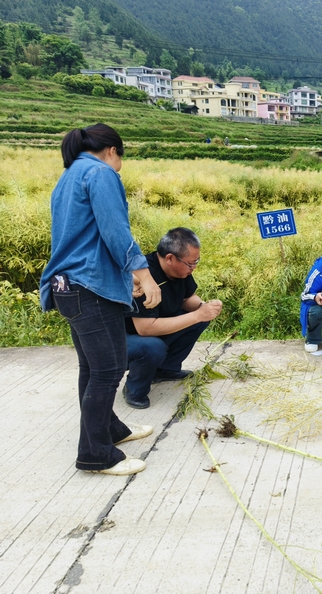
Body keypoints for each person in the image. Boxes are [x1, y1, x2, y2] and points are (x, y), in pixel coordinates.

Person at [39, 123, 162, 476]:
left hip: (70, 286)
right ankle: (95, 454)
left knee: (93, 367)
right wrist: (143, 274)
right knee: (108, 369)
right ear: (112, 151)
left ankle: (109, 430)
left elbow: (85, 239)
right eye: (121, 156)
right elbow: (114, 230)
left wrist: (124, 279)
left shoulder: (70, 175)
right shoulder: (100, 173)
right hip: (88, 287)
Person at [123, 227, 222, 409]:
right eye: (190, 263)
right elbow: (145, 328)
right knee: (153, 347)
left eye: (196, 262)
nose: (194, 267)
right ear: (170, 258)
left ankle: (163, 370)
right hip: (121, 340)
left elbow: (187, 299)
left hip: (152, 330)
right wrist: (197, 315)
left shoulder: (180, 271)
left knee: (199, 319)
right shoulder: (142, 276)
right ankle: (134, 388)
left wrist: (203, 308)